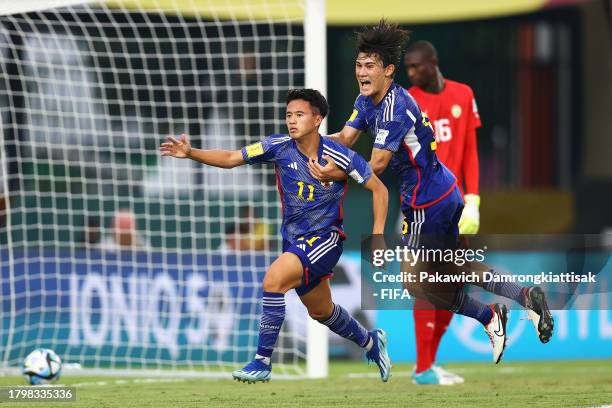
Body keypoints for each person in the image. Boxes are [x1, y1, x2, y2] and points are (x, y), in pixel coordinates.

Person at [308, 19, 553, 373]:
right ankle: (519, 299)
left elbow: (375, 164)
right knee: (448, 270)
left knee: (416, 281)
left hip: (429, 201)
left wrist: (329, 173)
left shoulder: (394, 108)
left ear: (388, 70)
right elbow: (345, 138)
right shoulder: (367, 100)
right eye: (358, 65)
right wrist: (308, 143)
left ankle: (490, 314)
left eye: (369, 66)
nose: (361, 71)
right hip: (439, 191)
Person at [160, 89, 392, 383]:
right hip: (295, 241)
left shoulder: (342, 156)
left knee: (273, 280)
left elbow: (380, 190)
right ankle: (371, 342)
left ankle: (261, 362)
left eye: (299, 114)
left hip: (326, 239)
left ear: (317, 119)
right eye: (288, 115)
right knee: (321, 311)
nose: (292, 121)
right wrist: (191, 152)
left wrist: (378, 236)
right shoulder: (278, 147)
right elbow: (232, 157)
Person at [402, 40, 482, 385]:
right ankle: (422, 367)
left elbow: (469, 151)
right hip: (423, 205)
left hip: (458, 205)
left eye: (416, 67)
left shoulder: (464, 94)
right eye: (407, 68)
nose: (411, 73)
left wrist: (475, 198)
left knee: (454, 283)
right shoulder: (407, 100)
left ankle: (429, 365)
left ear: (433, 63)